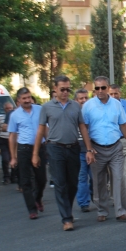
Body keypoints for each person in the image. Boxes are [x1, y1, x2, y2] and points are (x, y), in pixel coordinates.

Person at [33, 75, 90, 232]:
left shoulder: (75, 106)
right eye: (62, 89)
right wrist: (35, 153)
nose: (65, 92)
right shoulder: (46, 107)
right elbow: (40, 130)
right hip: (55, 148)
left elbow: (83, 127)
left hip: (73, 147)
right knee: (60, 183)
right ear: (55, 90)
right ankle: (66, 218)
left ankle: (68, 209)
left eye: (68, 89)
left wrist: (89, 149)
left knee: (73, 183)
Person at [82, 76, 126, 222]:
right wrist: (89, 149)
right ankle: (102, 210)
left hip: (115, 147)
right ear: (94, 89)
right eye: (97, 88)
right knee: (99, 181)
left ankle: (120, 211)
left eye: (103, 88)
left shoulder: (116, 104)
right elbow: (84, 129)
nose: (100, 91)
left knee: (119, 178)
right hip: (97, 148)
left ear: (108, 88)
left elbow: (123, 125)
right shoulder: (88, 106)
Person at [9, 88, 47, 220]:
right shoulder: (15, 115)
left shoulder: (39, 109)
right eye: (24, 98)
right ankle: (32, 209)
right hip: (24, 149)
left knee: (42, 179)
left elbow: (45, 128)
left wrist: (50, 143)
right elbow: (12, 136)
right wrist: (13, 157)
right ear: (19, 100)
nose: (27, 100)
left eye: (29, 97)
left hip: (40, 148)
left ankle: (37, 198)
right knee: (25, 180)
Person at [74, 89, 93, 212]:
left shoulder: (92, 112)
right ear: (76, 100)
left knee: (95, 178)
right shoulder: (73, 112)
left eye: (86, 97)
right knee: (82, 178)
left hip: (92, 149)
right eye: (81, 98)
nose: (84, 100)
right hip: (78, 150)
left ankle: (93, 195)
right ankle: (83, 203)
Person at [0, 101, 15, 184]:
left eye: (10, 108)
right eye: (7, 108)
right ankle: (6, 177)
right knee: (5, 159)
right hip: (4, 140)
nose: (9, 110)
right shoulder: (0, 118)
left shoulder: (15, 118)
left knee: (14, 158)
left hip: (13, 141)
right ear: (4, 109)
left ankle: (14, 176)